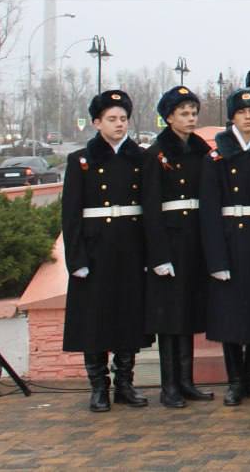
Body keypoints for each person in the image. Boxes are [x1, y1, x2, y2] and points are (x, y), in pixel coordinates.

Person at [62, 89, 151, 413]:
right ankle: (99, 386)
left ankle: (125, 383)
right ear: (96, 122)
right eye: (111, 119)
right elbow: (70, 215)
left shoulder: (140, 158)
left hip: (130, 248)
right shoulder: (81, 161)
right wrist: (77, 259)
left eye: (123, 119)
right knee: (95, 321)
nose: (119, 124)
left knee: (129, 318)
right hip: (96, 250)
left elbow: (148, 209)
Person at [200, 87, 250, 407]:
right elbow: (209, 210)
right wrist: (216, 257)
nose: (248, 117)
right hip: (231, 238)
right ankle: (235, 381)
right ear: (231, 117)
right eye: (241, 112)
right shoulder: (217, 156)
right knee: (231, 314)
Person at [142, 86, 213, 408]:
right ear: (168, 117)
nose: (190, 118)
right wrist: (158, 254)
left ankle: (187, 381)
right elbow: (151, 208)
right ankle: (169, 385)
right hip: (170, 242)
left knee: (188, 315)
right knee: (169, 319)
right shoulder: (156, 154)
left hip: (194, 241)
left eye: (193, 112)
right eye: (183, 113)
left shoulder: (200, 151)